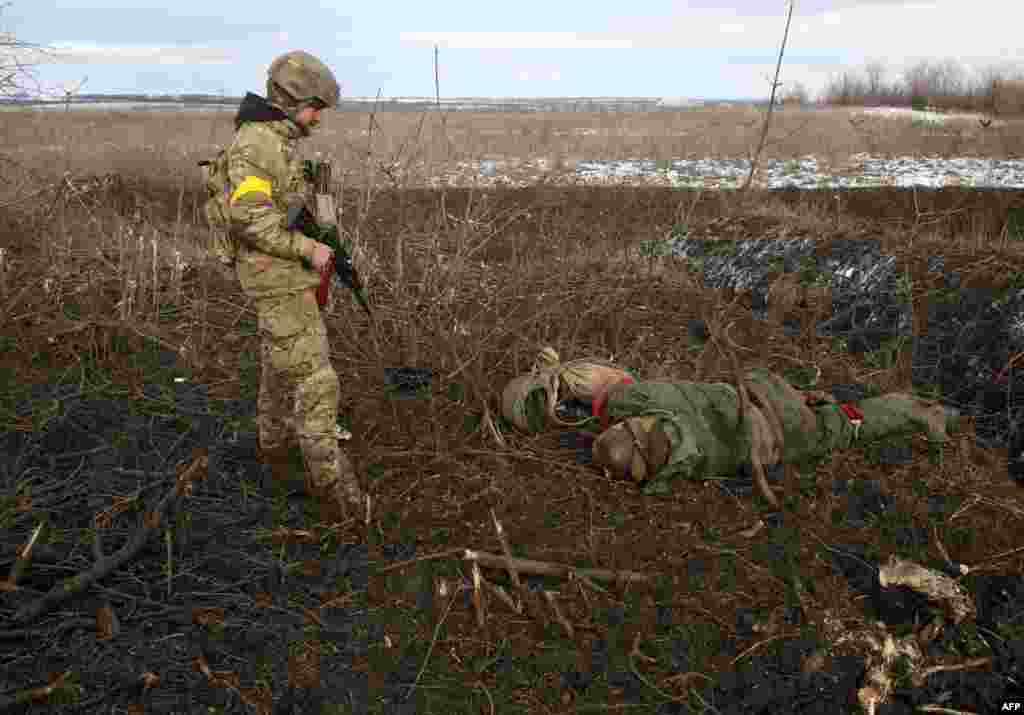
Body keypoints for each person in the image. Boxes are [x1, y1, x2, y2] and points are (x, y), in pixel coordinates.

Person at [225, 50, 363, 521]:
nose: (318, 119)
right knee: (316, 380)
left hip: (279, 274)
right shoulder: (256, 145)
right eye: (316, 108)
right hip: (275, 276)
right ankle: (333, 488)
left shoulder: (272, 140)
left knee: (278, 366)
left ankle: (274, 450)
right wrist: (309, 250)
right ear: (291, 100)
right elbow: (249, 221)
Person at [591, 367, 956, 495]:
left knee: (846, 425)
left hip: (786, 432)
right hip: (760, 387)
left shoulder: (681, 461)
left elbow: (652, 482)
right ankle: (806, 396)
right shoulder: (648, 399)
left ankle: (921, 412)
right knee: (810, 408)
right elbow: (618, 392)